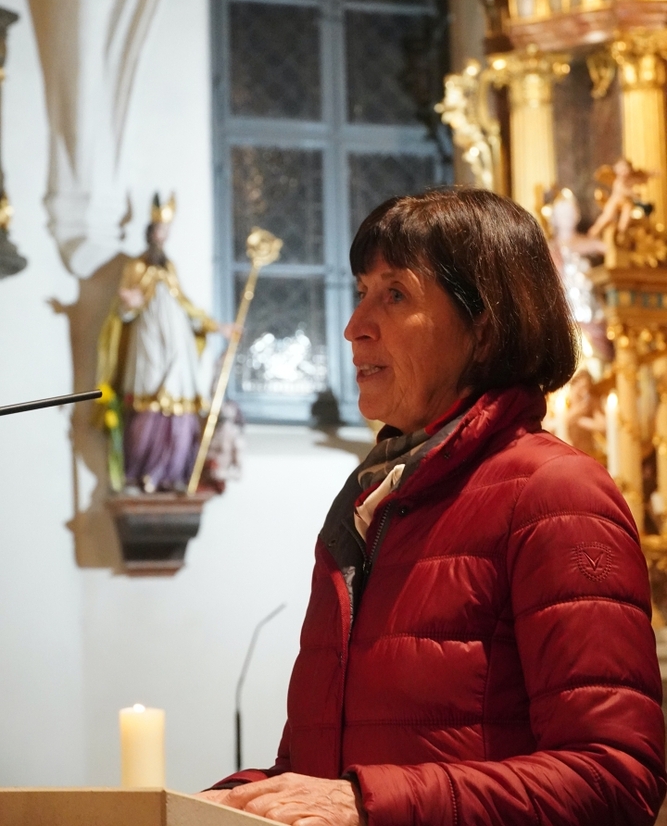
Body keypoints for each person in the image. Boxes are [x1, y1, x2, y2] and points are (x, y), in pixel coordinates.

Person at [201, 188, 666, 826]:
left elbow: (615, 776)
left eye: (395, 294)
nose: (354, 325)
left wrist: (367, 803)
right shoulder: (371, 506)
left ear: (484, 328)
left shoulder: (556, 495)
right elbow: (328, 772)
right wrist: (227, 802)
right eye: (362, 291)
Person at [98, 193, 232, 492]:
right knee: (147, 404)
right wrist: (128, 303)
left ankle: (172, 474)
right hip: (148, 345)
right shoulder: (135, 266)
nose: (162, 236)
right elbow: (123, 312)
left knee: (180, 408)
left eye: (166, 231)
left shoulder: (169, 267)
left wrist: (216, 327)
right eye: (159, 230)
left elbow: (186, 305)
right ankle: (140, 473)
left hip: (178, 347)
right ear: (150, 232)